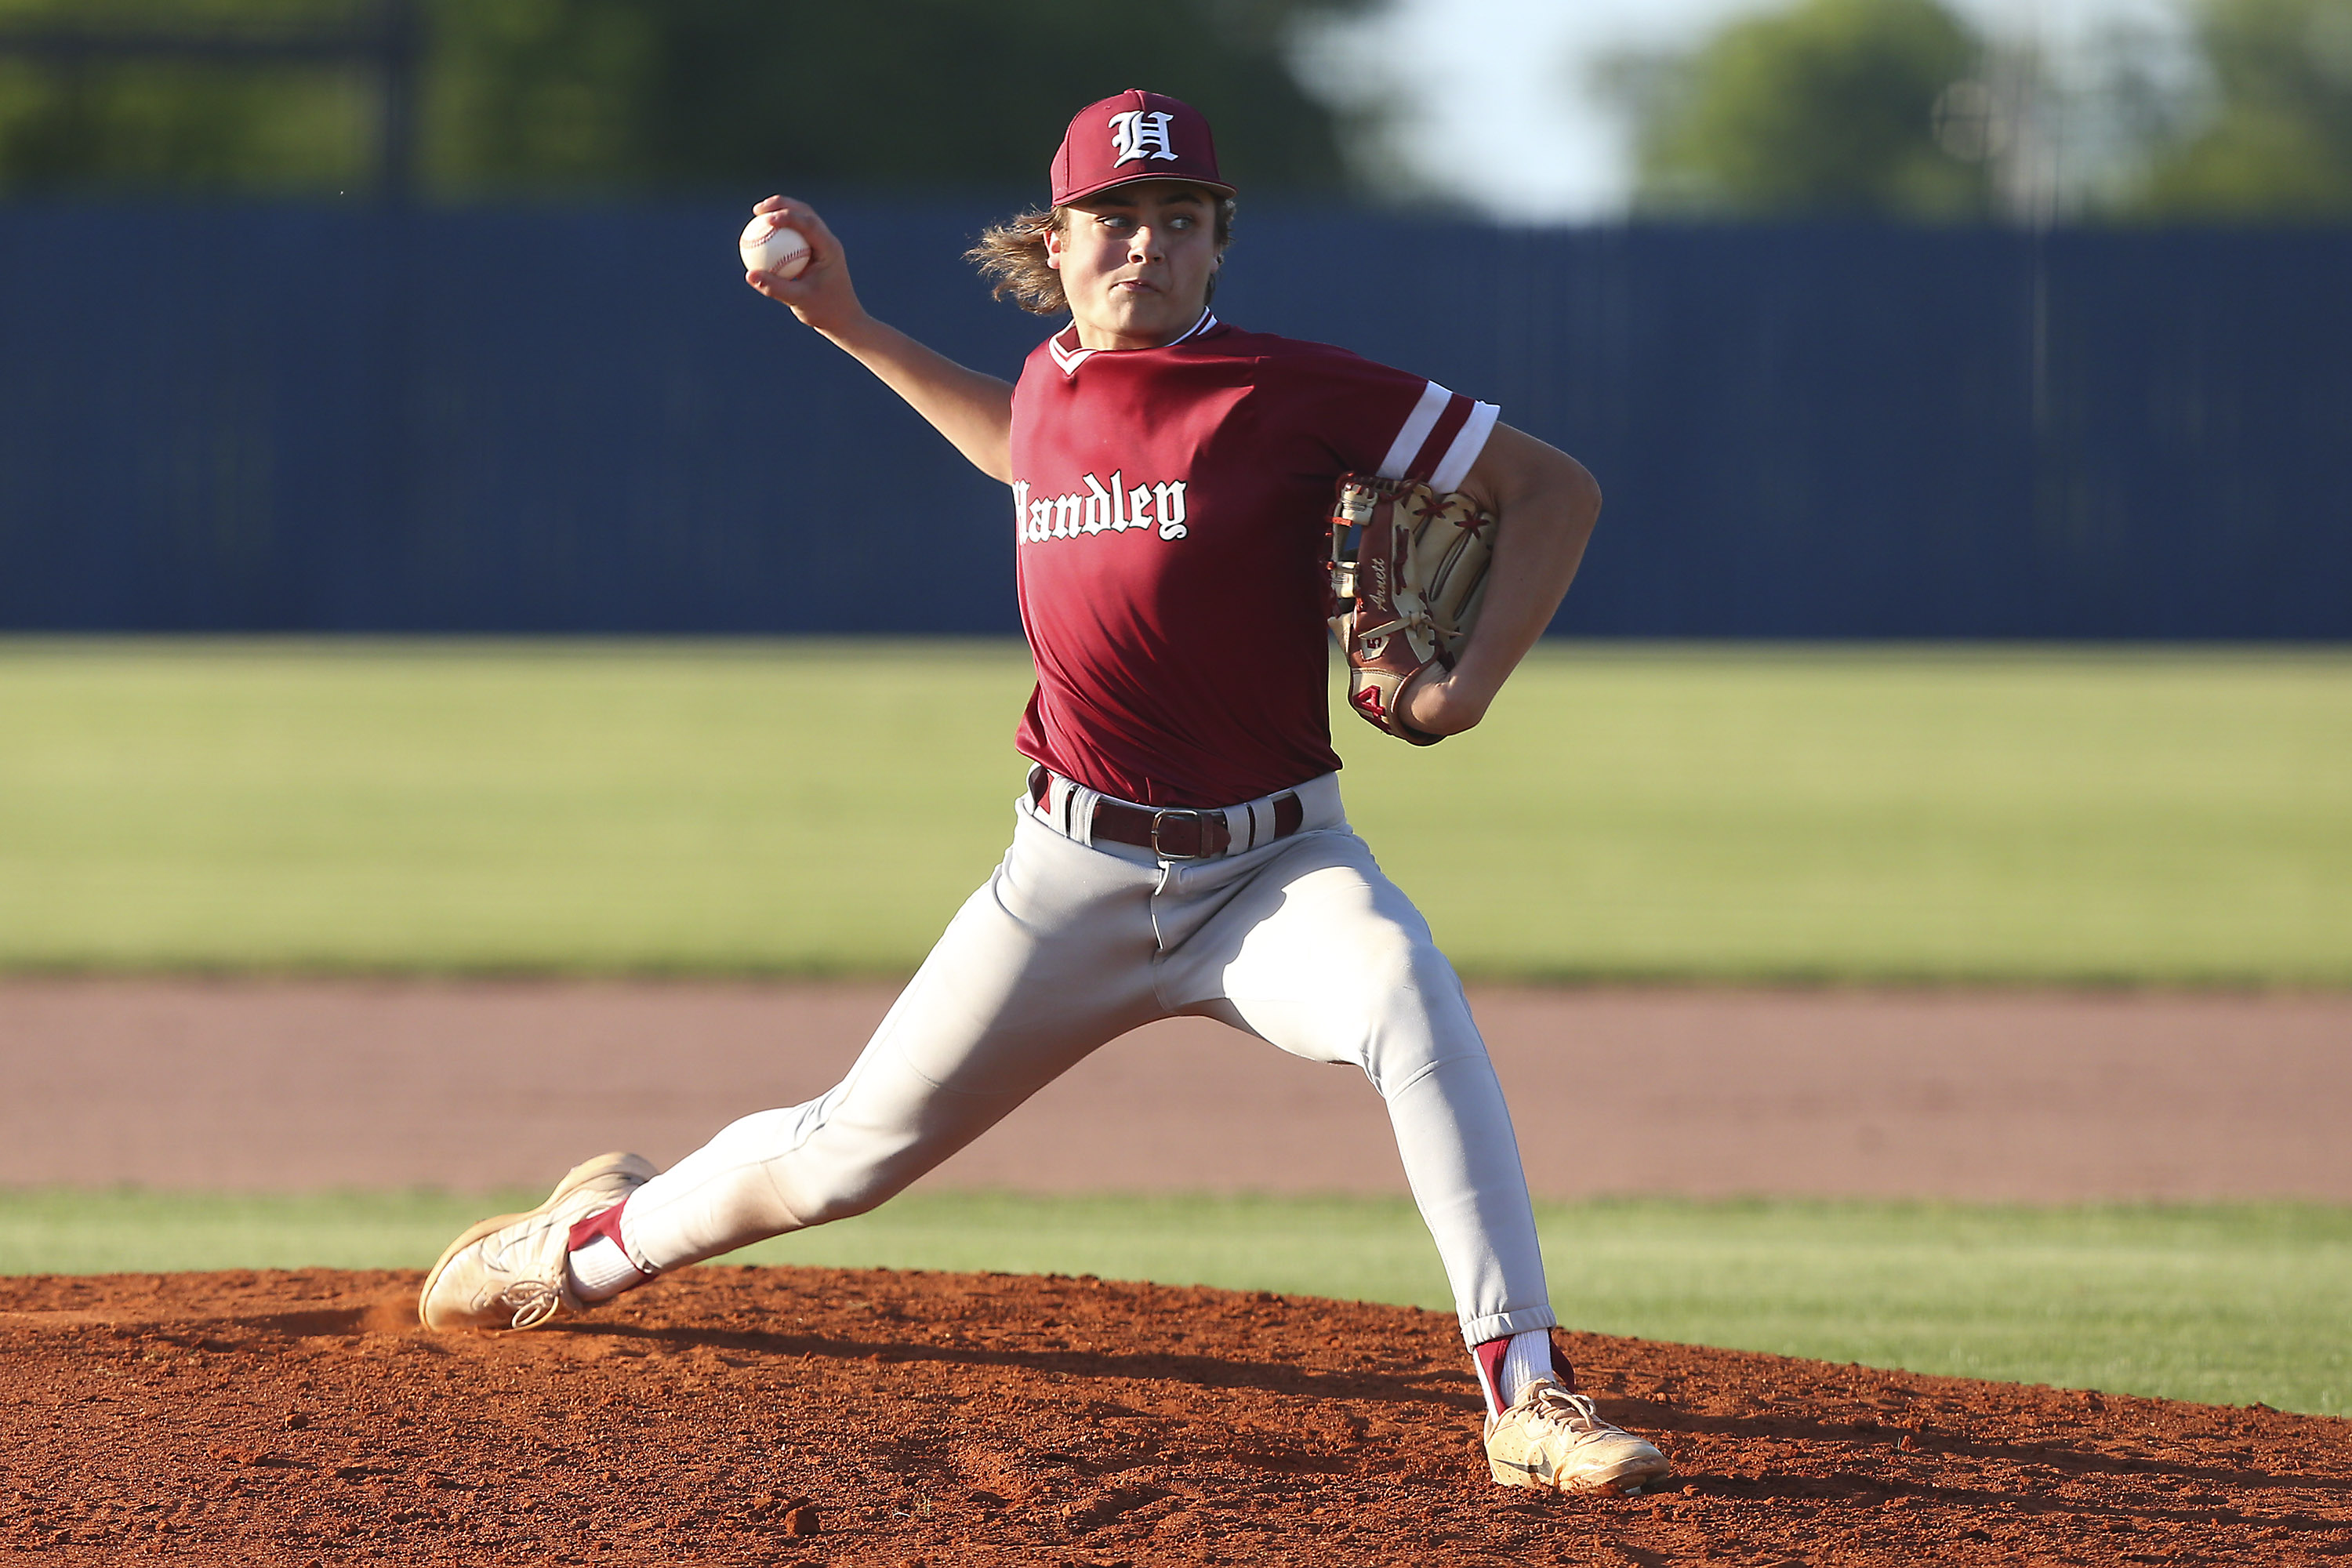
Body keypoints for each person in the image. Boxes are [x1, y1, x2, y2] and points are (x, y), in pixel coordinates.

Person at [419, 89, 1667, 1497]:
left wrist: (1464, 687)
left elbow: (1551, 490)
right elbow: (1024, 451)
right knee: (841, 1161)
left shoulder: (1290, 390)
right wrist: (845, 323)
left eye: (1179, 219)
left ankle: (1528, 1395)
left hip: (1273, 876)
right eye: (1115, 219)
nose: (1147, 243)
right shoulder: (1048, 388)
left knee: (1406, 996)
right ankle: (578, 1245)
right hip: (1066, 879)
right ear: (1059, 240)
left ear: (1217, 242)